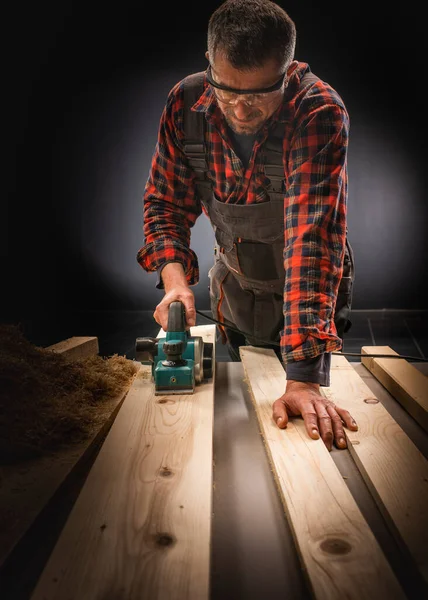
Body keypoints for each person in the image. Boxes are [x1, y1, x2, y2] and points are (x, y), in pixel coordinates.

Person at [136, 0, 358, 450]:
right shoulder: (186, 104)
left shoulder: (318, 112)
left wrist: (303, 380)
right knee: (242, 418)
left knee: (301, 435)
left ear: (288, 69)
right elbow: (164, 205)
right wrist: (175, 282)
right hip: (233, 292)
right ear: (210, 64)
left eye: (258, 95)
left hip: (306, 295)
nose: (240, 110)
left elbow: (310, 243)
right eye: (226, 91)